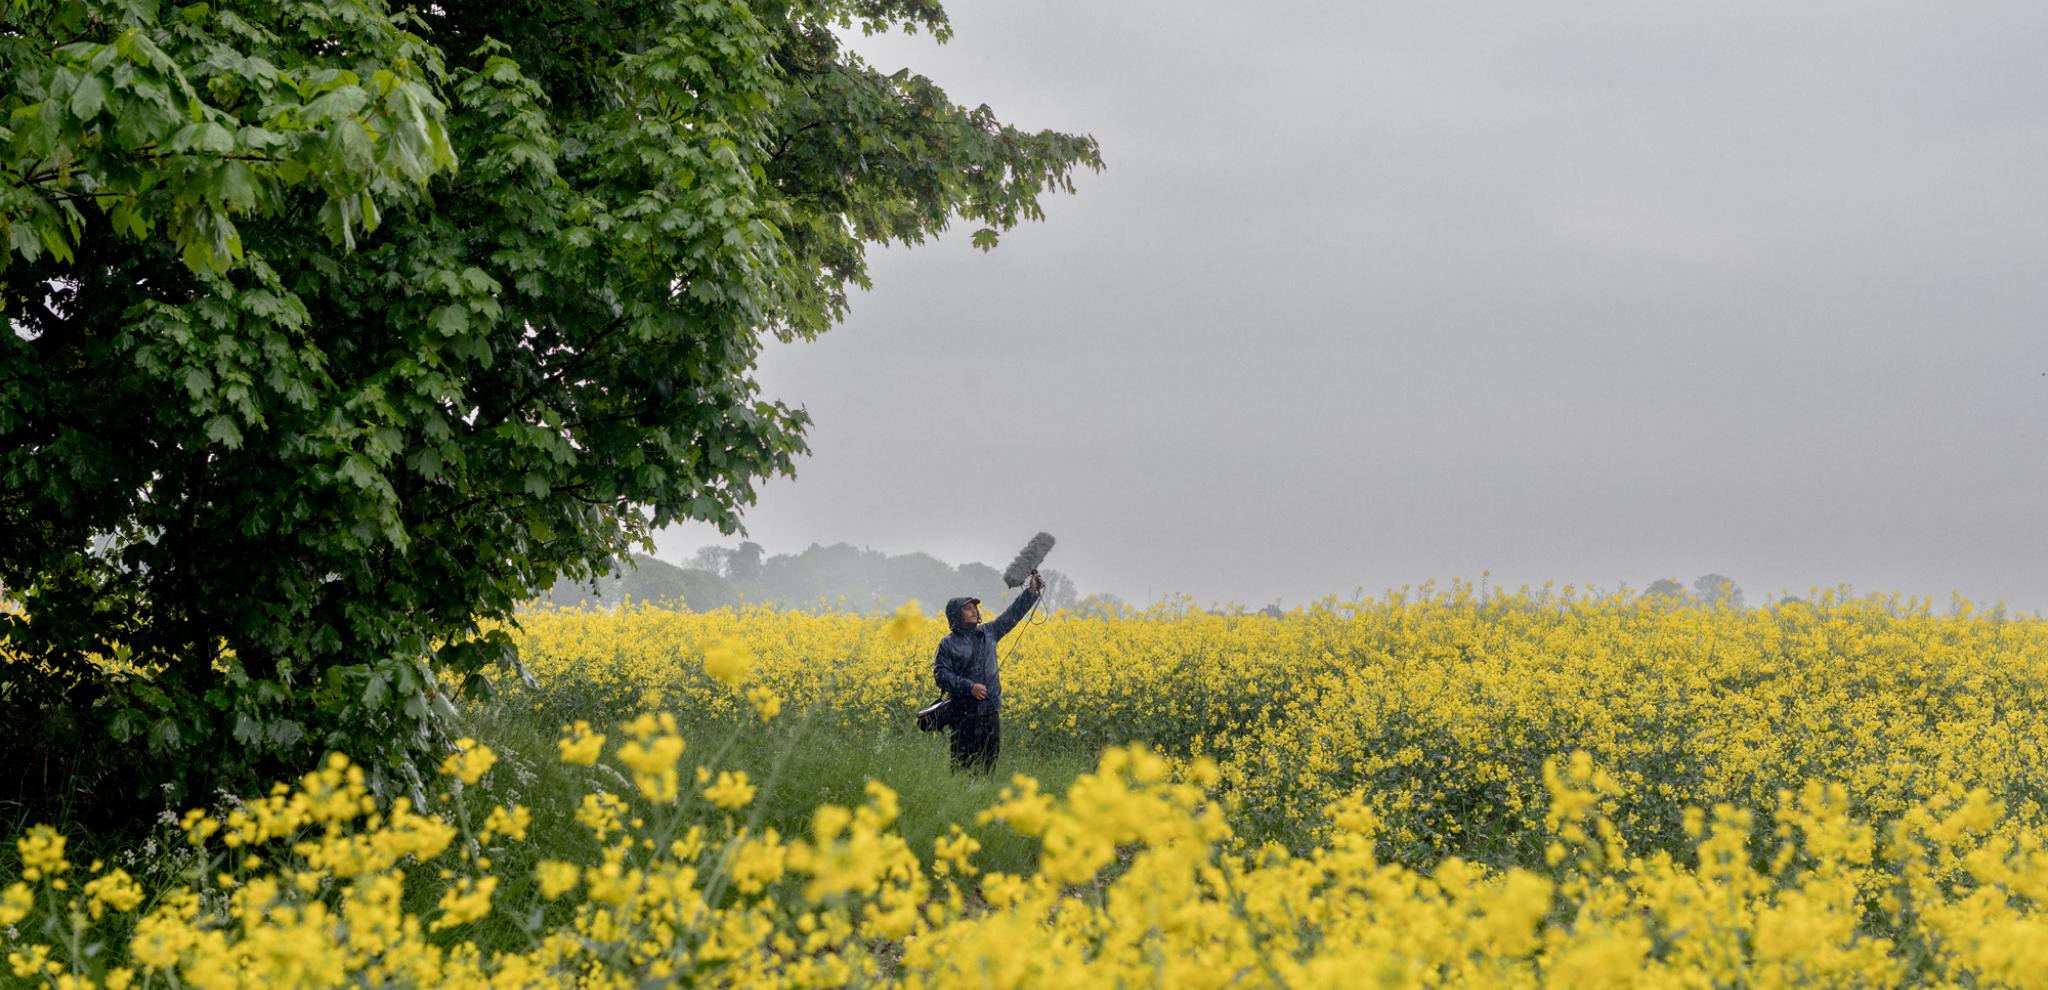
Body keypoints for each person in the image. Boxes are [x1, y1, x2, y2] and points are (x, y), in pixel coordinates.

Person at [933, 571, 1044, 772]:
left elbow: (1012, 615)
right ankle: (960, 800)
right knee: (961, 766)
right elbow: (941, 675)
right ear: (956, 615)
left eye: (974, 607)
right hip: (963, 714)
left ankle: (984, 799)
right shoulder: (947, 644)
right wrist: (970, 687)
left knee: (988, 766)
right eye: (967, 608)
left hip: (990, 712)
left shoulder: (989, 632)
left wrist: (1031, 592)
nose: (974, 611)